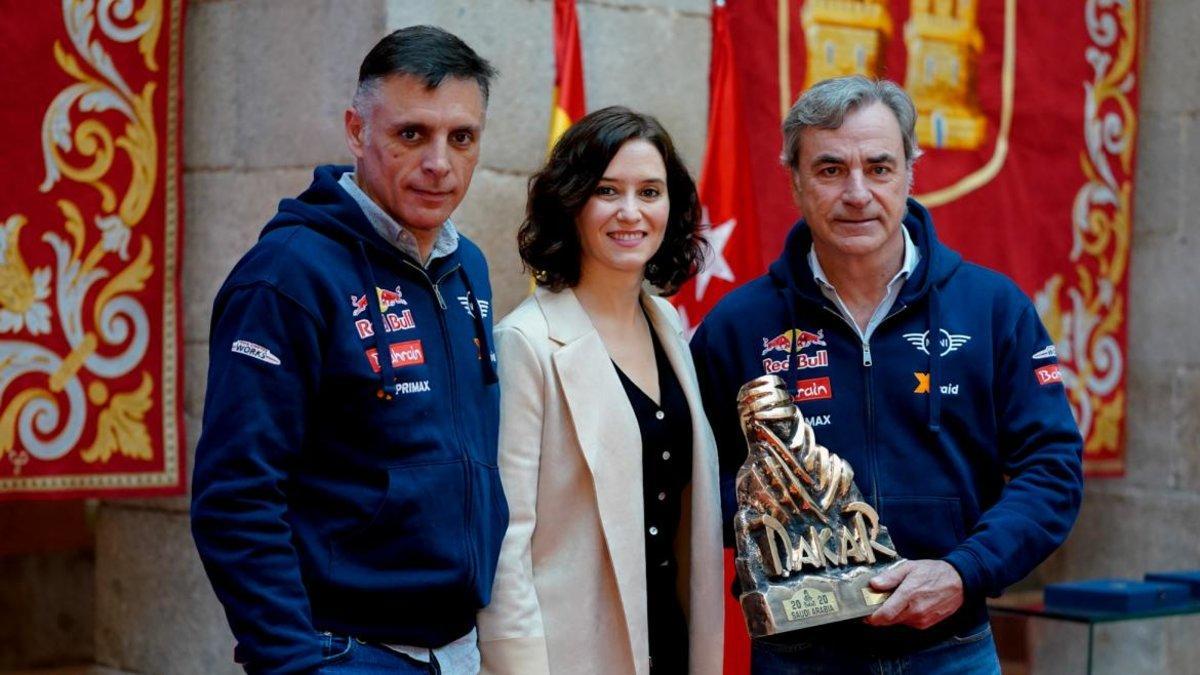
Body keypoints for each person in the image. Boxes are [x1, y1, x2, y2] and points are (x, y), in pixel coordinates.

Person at [690, 75, 1084, 674]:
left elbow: (1051, 470)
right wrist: (772, 528)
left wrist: (962, 570)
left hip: (952, 651)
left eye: (878, 167)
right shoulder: (737, 326)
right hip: (798, 655)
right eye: (829, 170)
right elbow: (693, 481)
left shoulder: (993, 309)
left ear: (909, 175)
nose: (857, 193)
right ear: (794, 179)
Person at [190, 26, 506, 674]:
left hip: (458, 651)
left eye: (462, 137)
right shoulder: (286, 275)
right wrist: (294, 663)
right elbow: (235, 496)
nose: (440, 162)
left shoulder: (466, 265)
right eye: (411, 133)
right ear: (358, 131)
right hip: (345, 652)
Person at [476, 106, 725, 675]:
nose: (631, 212)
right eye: (607, 191)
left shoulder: (669, 326)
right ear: (572, 202)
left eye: (650, 191)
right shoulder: (526, 343)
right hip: (573, 651)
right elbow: (505, 545)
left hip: (669, 639)